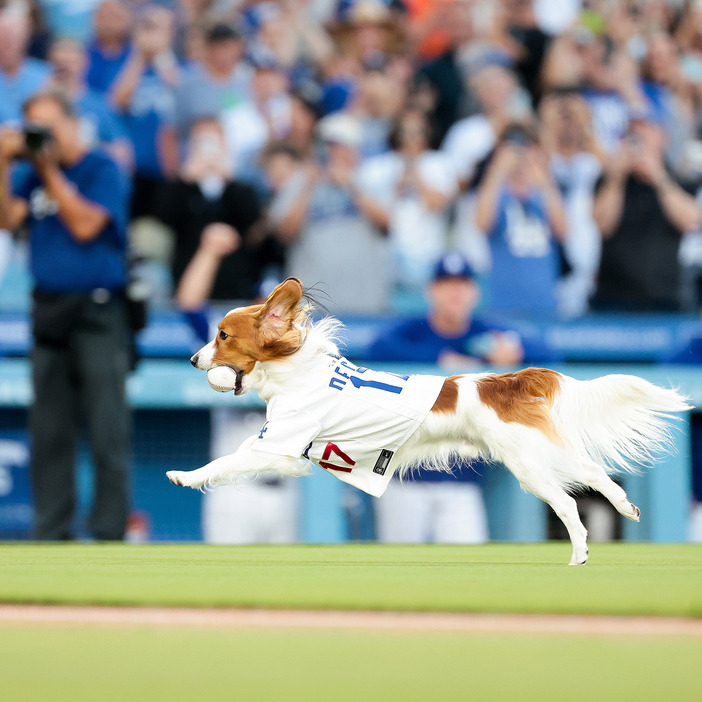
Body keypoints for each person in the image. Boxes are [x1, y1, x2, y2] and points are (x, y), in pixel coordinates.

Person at [0, 91, 131, 540]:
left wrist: (47, 170)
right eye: (34, 128)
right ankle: (52, 531)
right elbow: (6, 218)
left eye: (49, 128)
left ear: (73, 125)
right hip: (49, 309)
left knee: (107, 427)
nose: (43, 138)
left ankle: (110, 532)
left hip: (98, 310)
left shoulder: (101, 167)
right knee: (49, 430)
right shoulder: (29, 176)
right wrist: (3, 163)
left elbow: (86, 224)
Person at [367, 250, 524, 544]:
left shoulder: (485, 333)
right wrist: (440, 359)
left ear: (474, 291)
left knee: (469, 570)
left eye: (462, 284)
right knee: (398, 574)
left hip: (461, 482)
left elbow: (545, 351)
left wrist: (513, 356)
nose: (455, 292)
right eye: (446, 284)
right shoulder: (413, 332)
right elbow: (376, 350)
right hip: (404, 478)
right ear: (432, 291)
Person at [274, 112, 391, 314]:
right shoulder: (300, 181)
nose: (334, 153)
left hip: (365, 302)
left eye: (341, 146)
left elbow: (386, 223)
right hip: (311, 306)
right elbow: (285, 233)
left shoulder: (371, 178)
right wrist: (308, 186)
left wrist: (351, 184)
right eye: (329, 146)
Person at [591, 109, 701, 312]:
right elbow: (602, 225)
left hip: (665, 299)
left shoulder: (678, 178)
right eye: (632, 129)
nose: (638, 136)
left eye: (646, 128)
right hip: (612, 298)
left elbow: (691, 222)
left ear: (663, 136)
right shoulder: (608, 179)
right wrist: (617, 178)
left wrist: (658, 177)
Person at [159, 116, 276, 303]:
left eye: (213, 141)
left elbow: (252, 223)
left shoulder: (242, 188)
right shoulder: (179, 187)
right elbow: (165, 218)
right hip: (190, 284)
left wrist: (229, 180)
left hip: (238, 287)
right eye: (202, 141)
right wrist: (186, 179)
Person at [473, 122, 568, 315]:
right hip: (502, 305)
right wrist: (497, 172)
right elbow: (481, 224)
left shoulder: (546, 193)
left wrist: (544, 179)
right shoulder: (494, 194)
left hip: (544, 304)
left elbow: (563, 231)